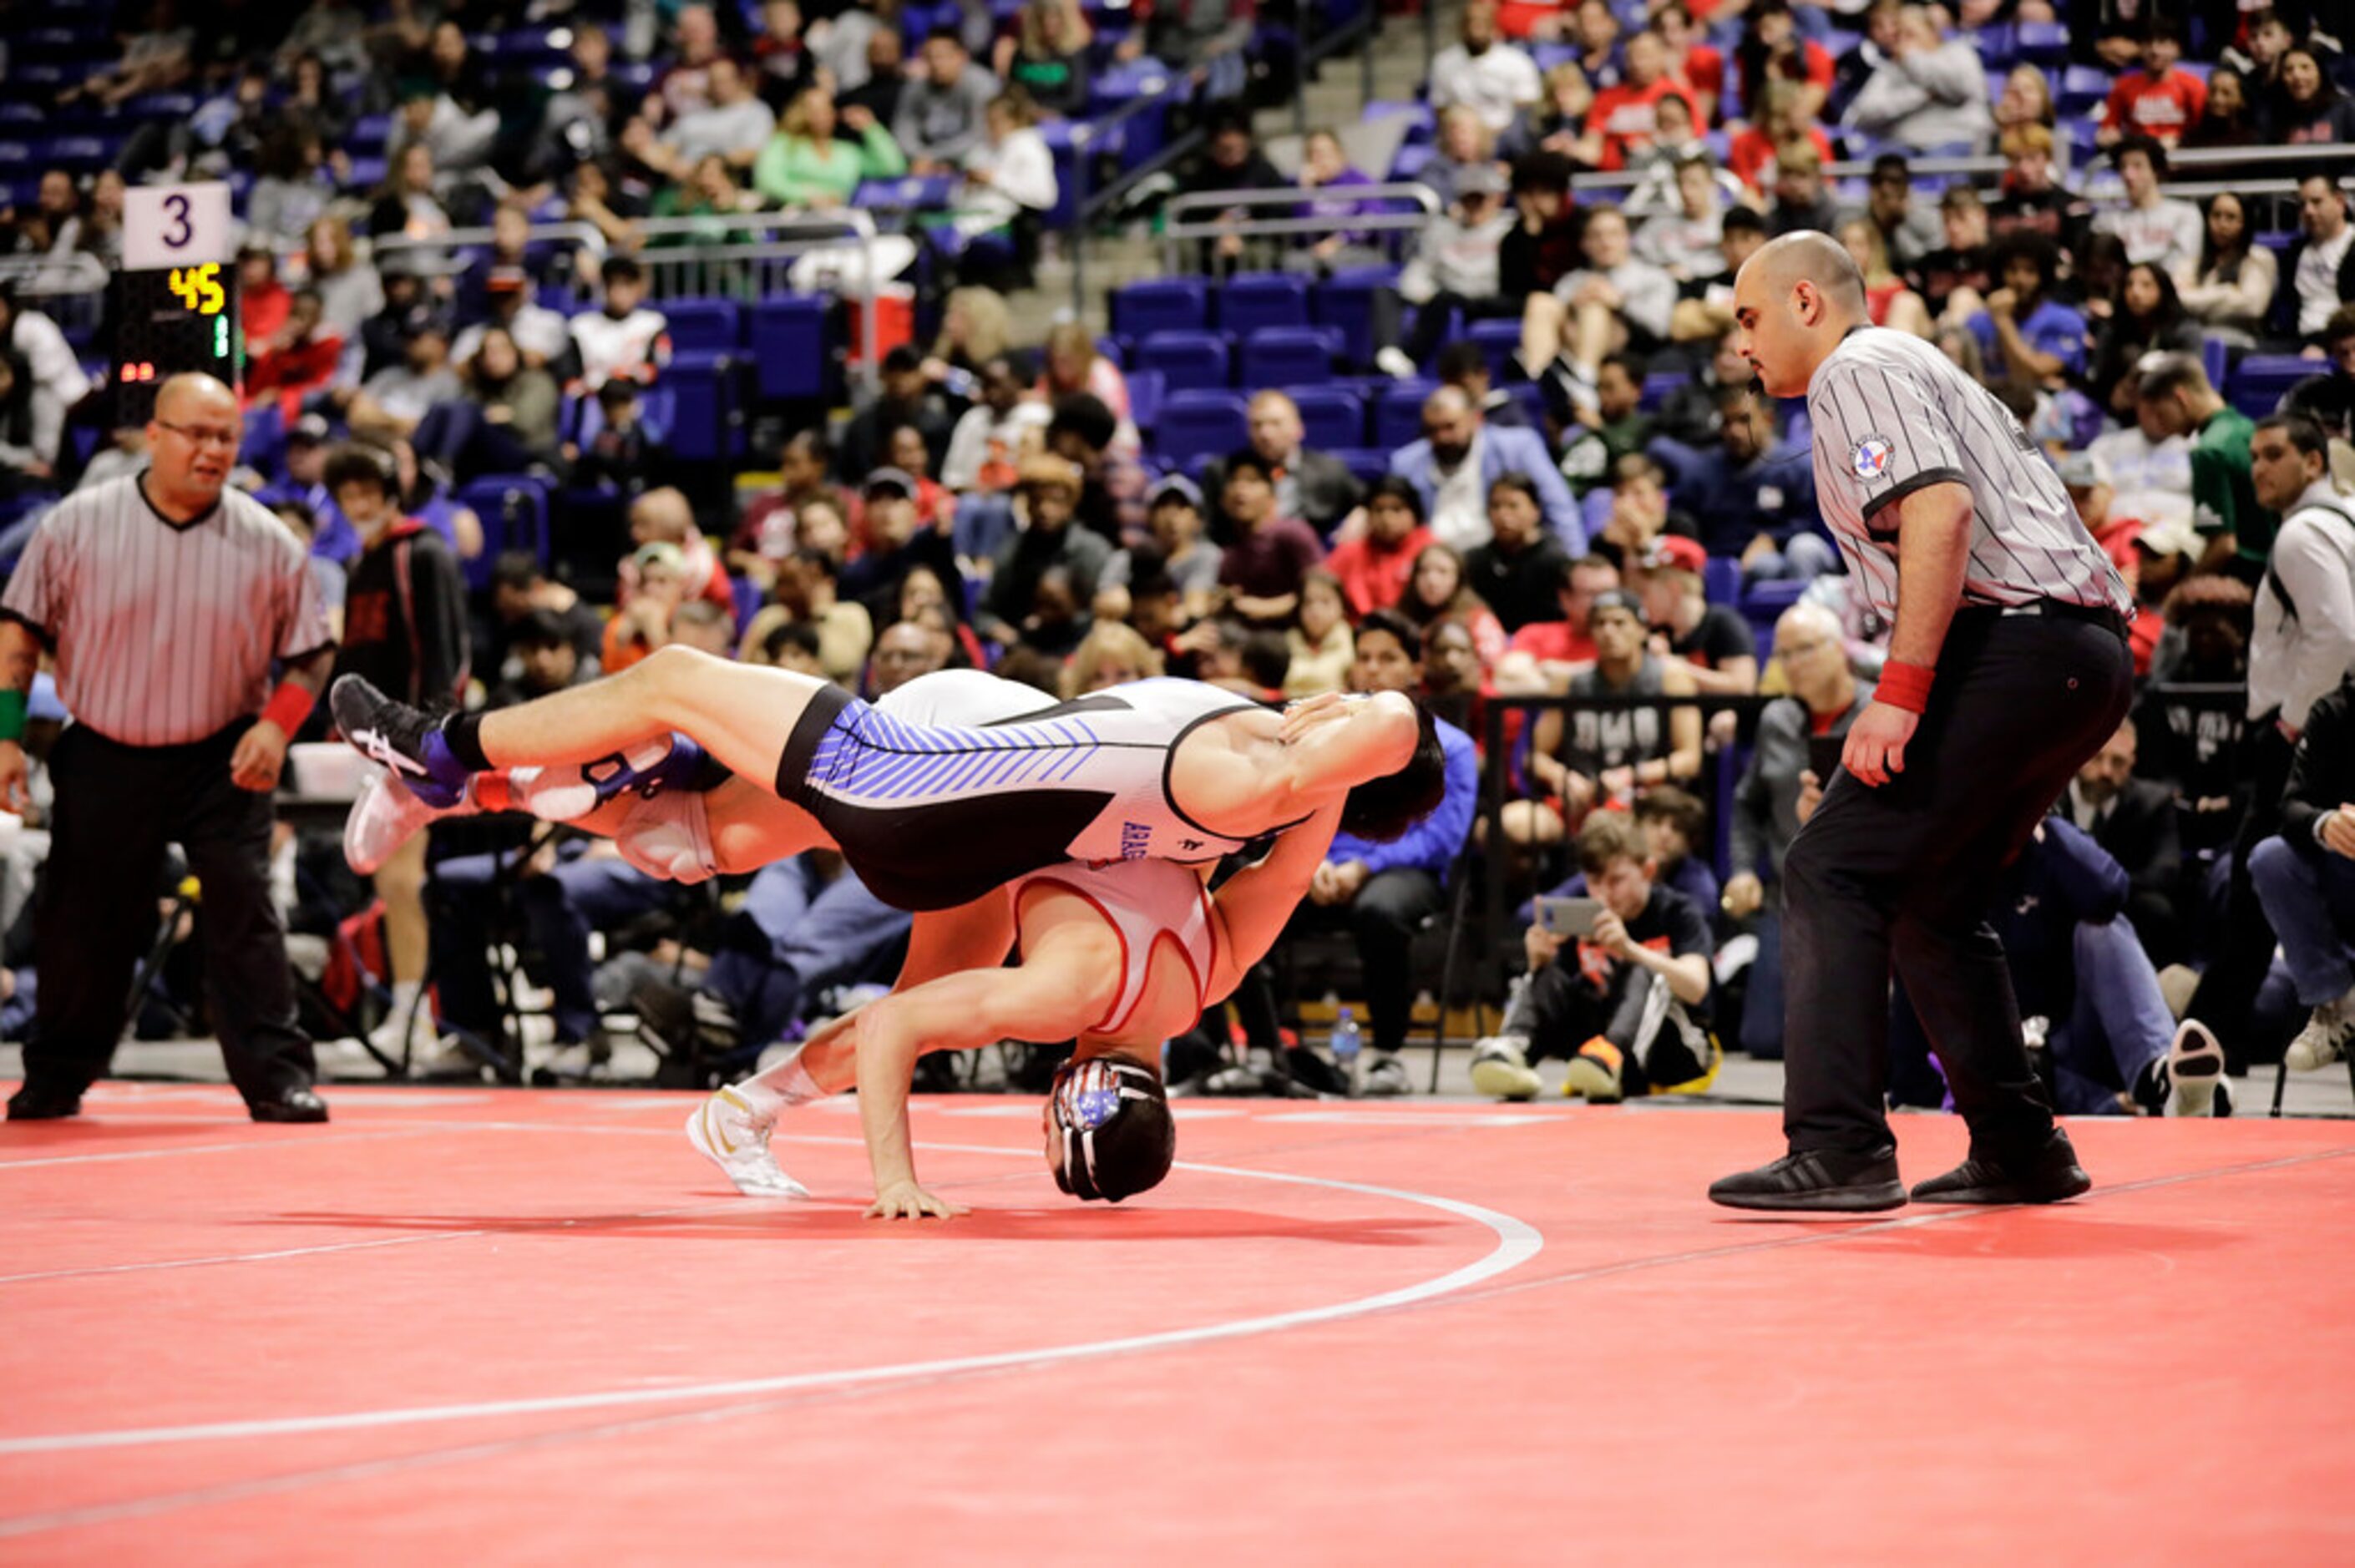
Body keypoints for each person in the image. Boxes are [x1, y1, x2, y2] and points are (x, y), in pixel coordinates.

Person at [1708, 232, 2135, 1211]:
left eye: (1748, 317)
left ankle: (1840, 1147)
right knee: (1930, 900)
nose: (1741, 344)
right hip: (2072, 653)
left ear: (1806, 301)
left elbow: (1939, 514)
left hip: (2024, 647)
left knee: (1831, 864)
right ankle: (2021, 1147)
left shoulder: (1857, 366)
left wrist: (1898, 692)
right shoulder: (1907, 364)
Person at [332, 650, 1447, 914]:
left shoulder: (1270, 775)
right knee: (683, 831)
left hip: (901, 775)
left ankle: (439, 747)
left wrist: (1388, 716)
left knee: (673, 679)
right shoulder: (1248, 823)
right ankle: (453, 796)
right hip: (938, 850)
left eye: (1360, 700)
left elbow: (1388, 731)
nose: (1350, 690)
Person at [0, 374, 333, 1123]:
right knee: (81, 920)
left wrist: (276, 724)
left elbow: (312, 652)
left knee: (245, 911)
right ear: (153, 434)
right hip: (106, 747)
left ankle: (277, 1077)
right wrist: (4, 739)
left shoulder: (268, 540)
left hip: (224, 754)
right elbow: (18, 628)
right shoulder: (76, 524)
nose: (213, 451)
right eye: (197, 434)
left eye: (226, 437)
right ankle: (56, 1075)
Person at [1283, 610, 1479, 1095]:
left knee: (1380, 911)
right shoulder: (1326, 737)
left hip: (1406, 872)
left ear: (1413, 670)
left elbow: (1441, 839)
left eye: (1387, 658)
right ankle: (1275, 1048)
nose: (1372, 669)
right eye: (1364, 657)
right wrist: (1314, 863)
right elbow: (1298, 806)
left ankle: (1388, 1054)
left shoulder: (1453, 748)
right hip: (1323, 866)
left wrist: (1365, 866)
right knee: (1258, 891)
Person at [325, 443, 470, 1067]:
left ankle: (413, 1021)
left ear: (389, 491)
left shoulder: (422, 553)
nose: (357, 504)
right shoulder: (363, 563)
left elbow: (448, 656)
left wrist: (428, 742)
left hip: (411, 744)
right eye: (346, 494)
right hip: (373, 744)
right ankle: (406, 1016)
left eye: (365, 491)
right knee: (388, 882)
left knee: (402, 881)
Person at [1470, 809, 1716, 1103]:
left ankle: (1610, 1054)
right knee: (1548, 976)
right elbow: (1561, 994)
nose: (1604, 895)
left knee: (1641, 971)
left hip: (1677, 1049)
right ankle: (1514, 1049)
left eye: (1616, 881)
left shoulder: (1679, 911)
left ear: (1648, 871)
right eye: (1594, 882)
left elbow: (1697, 987)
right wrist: (1539, 963)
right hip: (1595, 1044)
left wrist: (1630, 949)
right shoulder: (1583, 916)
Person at [1720, 602, 1872, 1061]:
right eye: (1783, 655)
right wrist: (1744, 869)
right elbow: (1747, 804)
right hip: (1790, 895)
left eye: (1803, 650)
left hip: (1866, 891)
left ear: (1837, 649)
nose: (1793, 665)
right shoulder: (1777, 720)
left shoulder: (1880, 712)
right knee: (1766, 1039)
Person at [1506, 587, 1702, 847]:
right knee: (1507, 825)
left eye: (1620, 622)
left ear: (1642, 630)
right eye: (1599, 623)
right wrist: (1563, 777)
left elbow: (1690, 758)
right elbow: (1534, 755)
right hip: (1583, 799)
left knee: (1632, 837)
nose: (1609, 631)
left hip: (1650, 802)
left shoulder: (1671, 679)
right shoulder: (1570, 684)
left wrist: (1632, 775)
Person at [2249, 673, 2355, 1075]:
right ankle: (2336, 1002)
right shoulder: (2335, 709)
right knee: (2270, 857)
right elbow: (2291, 805)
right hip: (2343, 875)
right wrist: (2324, 823)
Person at [1390, 387, 1579, 551]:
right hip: (1435, 566)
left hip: (1499, 559)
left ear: (1475, 419)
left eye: (1450, 427)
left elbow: (1559, 509)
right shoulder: (1405, 463)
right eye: (1433, 430)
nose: (1442, 437)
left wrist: (1574, 569)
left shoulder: (1518, 447)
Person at [2135, 352, 2263, 582]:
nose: (2160, 426)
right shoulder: (2249, 428)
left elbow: (2223, 546)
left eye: (2160, 413)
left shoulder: (2208, 451)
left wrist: (2181, 594)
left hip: (2248, 582)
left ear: (2180, 397)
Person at [1428, 0, 1543, 136]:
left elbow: (1526, 107)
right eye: (1470, 22)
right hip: (1461, 138)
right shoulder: (1444, 63)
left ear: (1494, 27)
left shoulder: (1518, 62)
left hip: (1507, 137)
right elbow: (1441, 107)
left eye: (1482, 23)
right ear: (1461, 27)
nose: (1475, 29)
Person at [2280, 174, 2355, 347]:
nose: (2308, 211)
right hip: (2297, 341)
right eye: (2302, 205)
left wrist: (2324, 345)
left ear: (2339, 202)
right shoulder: (2295, 253)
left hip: (2343, 343)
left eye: (2316, 202)